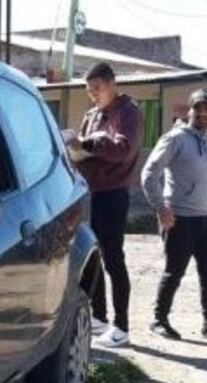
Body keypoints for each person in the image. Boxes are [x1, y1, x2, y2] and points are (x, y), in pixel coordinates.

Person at [141, 88, 207, 343]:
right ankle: (159, 319)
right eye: (197, 108)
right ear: (189, 109)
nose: (202, 112)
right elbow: (149, 174)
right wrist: (162, 208)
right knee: (174, 272)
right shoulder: (175, 138)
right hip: (180, 219)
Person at [69, 62, 143, 348]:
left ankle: (122, 326)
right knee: (92, 257)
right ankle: (98, 316)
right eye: (89, 91)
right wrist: (75, 148)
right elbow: (83, 149)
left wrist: (90, 145)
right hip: (89, 193)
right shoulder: (92, 114)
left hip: (113, 194)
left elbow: (123, 148)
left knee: (113, 258)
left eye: (97, 89)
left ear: (112, 84)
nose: (94, 95)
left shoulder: (129, 112)